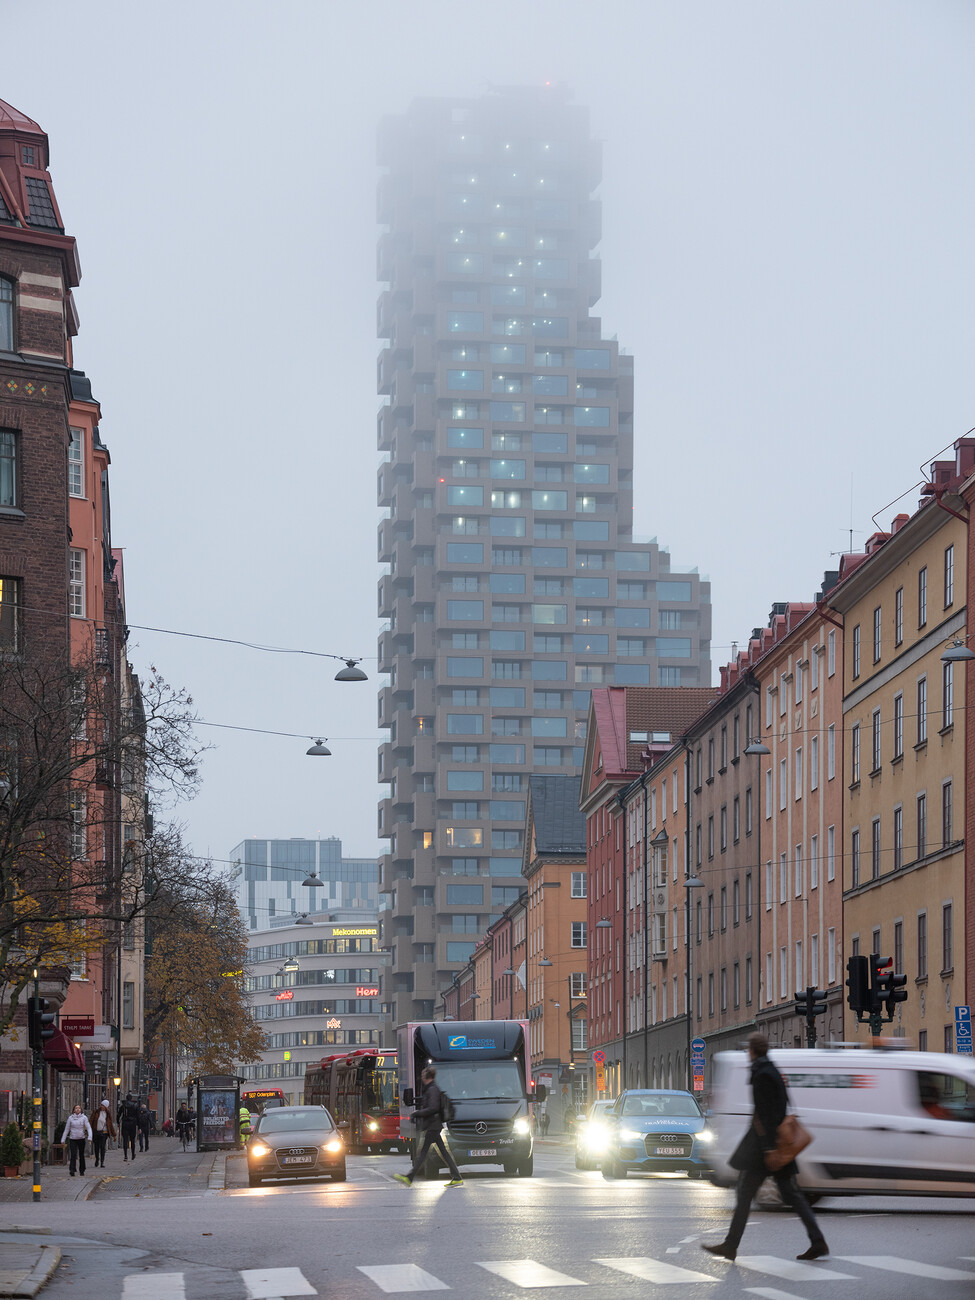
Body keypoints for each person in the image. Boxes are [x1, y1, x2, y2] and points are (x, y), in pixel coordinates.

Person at [703, 1033, 827, 1263]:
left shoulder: (761, 1073)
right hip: (776, 1143)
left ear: (751, 1051)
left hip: (765, 1149)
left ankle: (731, 1246)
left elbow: (764, 1113)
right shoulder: (773, 1069)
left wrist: (769, 1148)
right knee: (792, 1195)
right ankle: (817, 1241)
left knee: (745, 1194)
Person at [393, 1066, 463, 1187]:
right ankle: (456, 1177)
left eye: (423, 1074)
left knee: (423, 1153)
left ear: (427, 1076)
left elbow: (433, 1108)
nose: (421, 1077)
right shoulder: (431, 1088)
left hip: (433, 1126)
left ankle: (409, 1177)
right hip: (433, 1126)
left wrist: (417, 1113)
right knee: (443, 1153)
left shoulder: (432, 1090)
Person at [61, 1104, 92, 1177]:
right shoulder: (70, 1118)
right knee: (73, 1154)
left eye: (79, 1108)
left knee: (81, 1154)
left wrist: (90, 1137)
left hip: (81, 1138)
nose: (77, 1109)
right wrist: (63, 1139)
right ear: (74, 1110)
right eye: (76, 1108)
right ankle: (72, 1170)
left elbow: (88, 1128)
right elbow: (67, 1129)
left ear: (81, 1110)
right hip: (73, 1138)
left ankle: (82, 1170)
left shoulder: (84, 1118)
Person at [88, 1098, 115, 1168]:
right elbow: (91, 1121)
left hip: (104, 1133)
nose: (102, 1106)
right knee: (96, 1147)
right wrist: (88, 1130)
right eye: (101, 1105)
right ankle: (97, 1159)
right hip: (96, 1132)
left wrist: (114, 1134)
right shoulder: (96, 1112)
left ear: (106, 1107)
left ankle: (102, 1162)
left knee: (102, 1147)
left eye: (103, 1105)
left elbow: (110, 1125)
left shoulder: (108, 1114)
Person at [117, 1092, 140, 1162]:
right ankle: (133, 1154)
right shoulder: (135, 1106)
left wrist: (118, 1122)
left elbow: (118, 1114)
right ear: (131, 1098)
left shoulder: (123, 1106)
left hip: (125, 1123)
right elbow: (138, 1116)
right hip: (132, 1124)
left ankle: (125, 1155)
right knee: (132, 1140)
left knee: (125, 1140)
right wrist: (139, 1126)